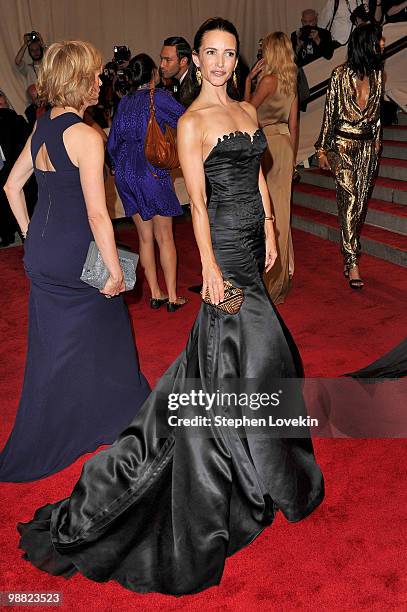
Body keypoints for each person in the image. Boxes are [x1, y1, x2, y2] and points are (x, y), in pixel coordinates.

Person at [17, 19, 324, 595]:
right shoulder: (190, 122)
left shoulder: (248, 114)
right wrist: (206, 263)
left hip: (254, 238)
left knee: (239, 354)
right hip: (224, 250)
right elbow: (199, 204)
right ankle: (248, 464)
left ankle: (251, 451)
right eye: (210, 52)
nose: (220, 62)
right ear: (198, 59)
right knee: (258, 350)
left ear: (238, 60)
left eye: (229, 54)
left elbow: (258, 177)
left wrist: (276, 229)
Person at [0, 41, 150, 482]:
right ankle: (115, 416)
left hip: (42, 253)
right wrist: (116, 270)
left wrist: (30, 235)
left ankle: (67, 420)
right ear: (80, 81)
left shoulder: (43, 126)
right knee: (113, 337)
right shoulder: (86, 136)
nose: (101, 81)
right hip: (76, 256)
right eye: (95, 74)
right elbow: (97, 213)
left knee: (55, 347)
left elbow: (11, 187)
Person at [107, 53, 187, 312]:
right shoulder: (159, 97)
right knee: (164, 236)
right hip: (150, 170)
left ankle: (156, 293)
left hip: (126, 173)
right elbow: (186, 120)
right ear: (152, 74)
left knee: (144, 237)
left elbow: (112, 145)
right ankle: (173, 296)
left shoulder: (124, 103)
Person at [315, 23, 384, 289]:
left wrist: (377, 141)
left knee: (360, 205)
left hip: (368, 148)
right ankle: (353, 260)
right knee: (350, 200)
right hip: (342, 145)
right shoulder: (339, 76)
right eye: (378, 39)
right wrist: (322, 149)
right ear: (366, 43)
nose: (382, 43)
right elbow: (329, 114)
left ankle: (348, 252)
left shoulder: (378, 76)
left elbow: (376, 115)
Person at [245, 32, 298, 305]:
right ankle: (282, 275)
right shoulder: (290, 81)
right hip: (286, 147)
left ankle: (270, 280)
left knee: (269, 211)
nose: (261, 54)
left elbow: (245, 112)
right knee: (282, 208)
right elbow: (294, 125)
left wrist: (247, 82)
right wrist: (292, 158)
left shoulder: (267, 81)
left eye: (264, 49)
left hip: (267, 147)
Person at [0, 91, 27, 247]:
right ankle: (6, 234)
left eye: (3, 105)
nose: (1, 109)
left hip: (13, 168)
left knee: (19, 200)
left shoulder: (15, 120)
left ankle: (24, 234)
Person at [159, 36, 193, 105]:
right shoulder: (176, 83)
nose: (162, 65)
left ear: (183, 61)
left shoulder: (194, 87)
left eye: (168, 60)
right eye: (161, 59)